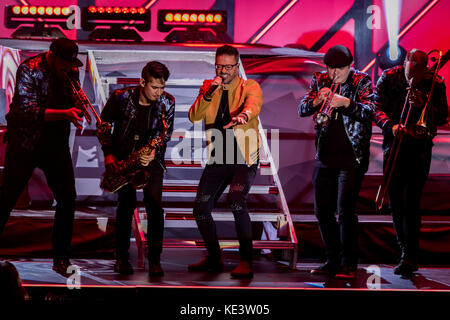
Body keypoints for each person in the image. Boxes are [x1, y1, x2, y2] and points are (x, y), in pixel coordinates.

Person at [0, 38, 84, 277]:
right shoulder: (29, 69)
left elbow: (74, 99)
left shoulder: (70, 71)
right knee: (7, 197)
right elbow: (27, 111)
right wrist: (66, 113)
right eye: (64, 63)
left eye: (71, 64)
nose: (68, 68)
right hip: (26, 141)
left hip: (54, 144)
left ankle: (61, 258)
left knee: (67, 198)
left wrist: (77, 104)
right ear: (52, 56)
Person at [298, 45, 374, 278]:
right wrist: (315, 102)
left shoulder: (362, 81)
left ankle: (349, 264)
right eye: (330, 69)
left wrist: (346, 103)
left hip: (352, 157)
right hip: (325, 155)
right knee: (322, 210)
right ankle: (332, 260)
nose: (334, 74)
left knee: (346, 210)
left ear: (350, 66)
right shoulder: (319, 79)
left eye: (339, 69)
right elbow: (302, 109)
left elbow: (370, 112)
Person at [188, 45, 263, 279]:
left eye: (228, 67)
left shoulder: (248, 86)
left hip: (243, 157)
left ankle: (245, 260)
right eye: (219, 66)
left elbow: (253, 105)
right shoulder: (209, 88)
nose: (222, 71)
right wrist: (208, 93)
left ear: (237, 66)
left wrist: (242, 116)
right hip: (218, 156)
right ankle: (214, 256)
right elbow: (194, 116)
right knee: (200, 209)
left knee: (236, 200)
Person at [374, 49, 448, 277]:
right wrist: (391, 126)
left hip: (419, 149)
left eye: (419, 74)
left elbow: (444, 115)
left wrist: (425, 103)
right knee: (395, 202)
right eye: (410, 74)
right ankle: (405, 250)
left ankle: (410, 255)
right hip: (394, 145)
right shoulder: (388, 77)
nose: (414, 79)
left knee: (412, 202)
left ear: (425, 68)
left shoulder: (434, 80)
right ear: (405, 63)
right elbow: (376, 108)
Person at [99, 61, 175, 277]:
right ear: (142, 82)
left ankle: (155, 260)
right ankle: (121, 258)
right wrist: (109, 155)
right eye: (154, 88)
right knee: (125, 207)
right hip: (125, 157)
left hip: (151, 160)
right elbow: (104, 126)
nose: (159, 93)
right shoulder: (121, 98)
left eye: (162, 88)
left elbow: (165, 134)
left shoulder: (167, 102)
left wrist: (152, 153)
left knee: (155, 209)